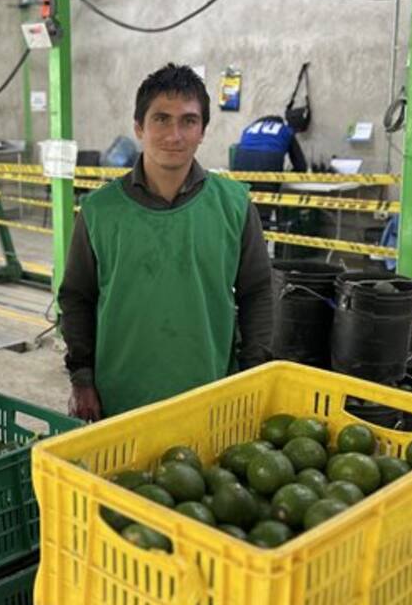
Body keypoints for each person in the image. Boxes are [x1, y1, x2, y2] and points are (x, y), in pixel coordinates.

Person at [58, 64, 273, 421]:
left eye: (188, 121)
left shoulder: (234, 205)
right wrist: (81, 379)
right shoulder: (99, 211)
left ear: (203, 130)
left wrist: (252, 373)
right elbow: (77, 298)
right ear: (139, 127)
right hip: (120, 400)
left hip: (211, 396)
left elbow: (258, 292)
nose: (174, 135)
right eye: (161, 119)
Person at [233, 114, 308, 174]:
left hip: (240, 174)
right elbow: (301, 167)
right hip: (269, 171)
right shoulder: (286, 130)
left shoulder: (248, 129)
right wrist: (288, 175)